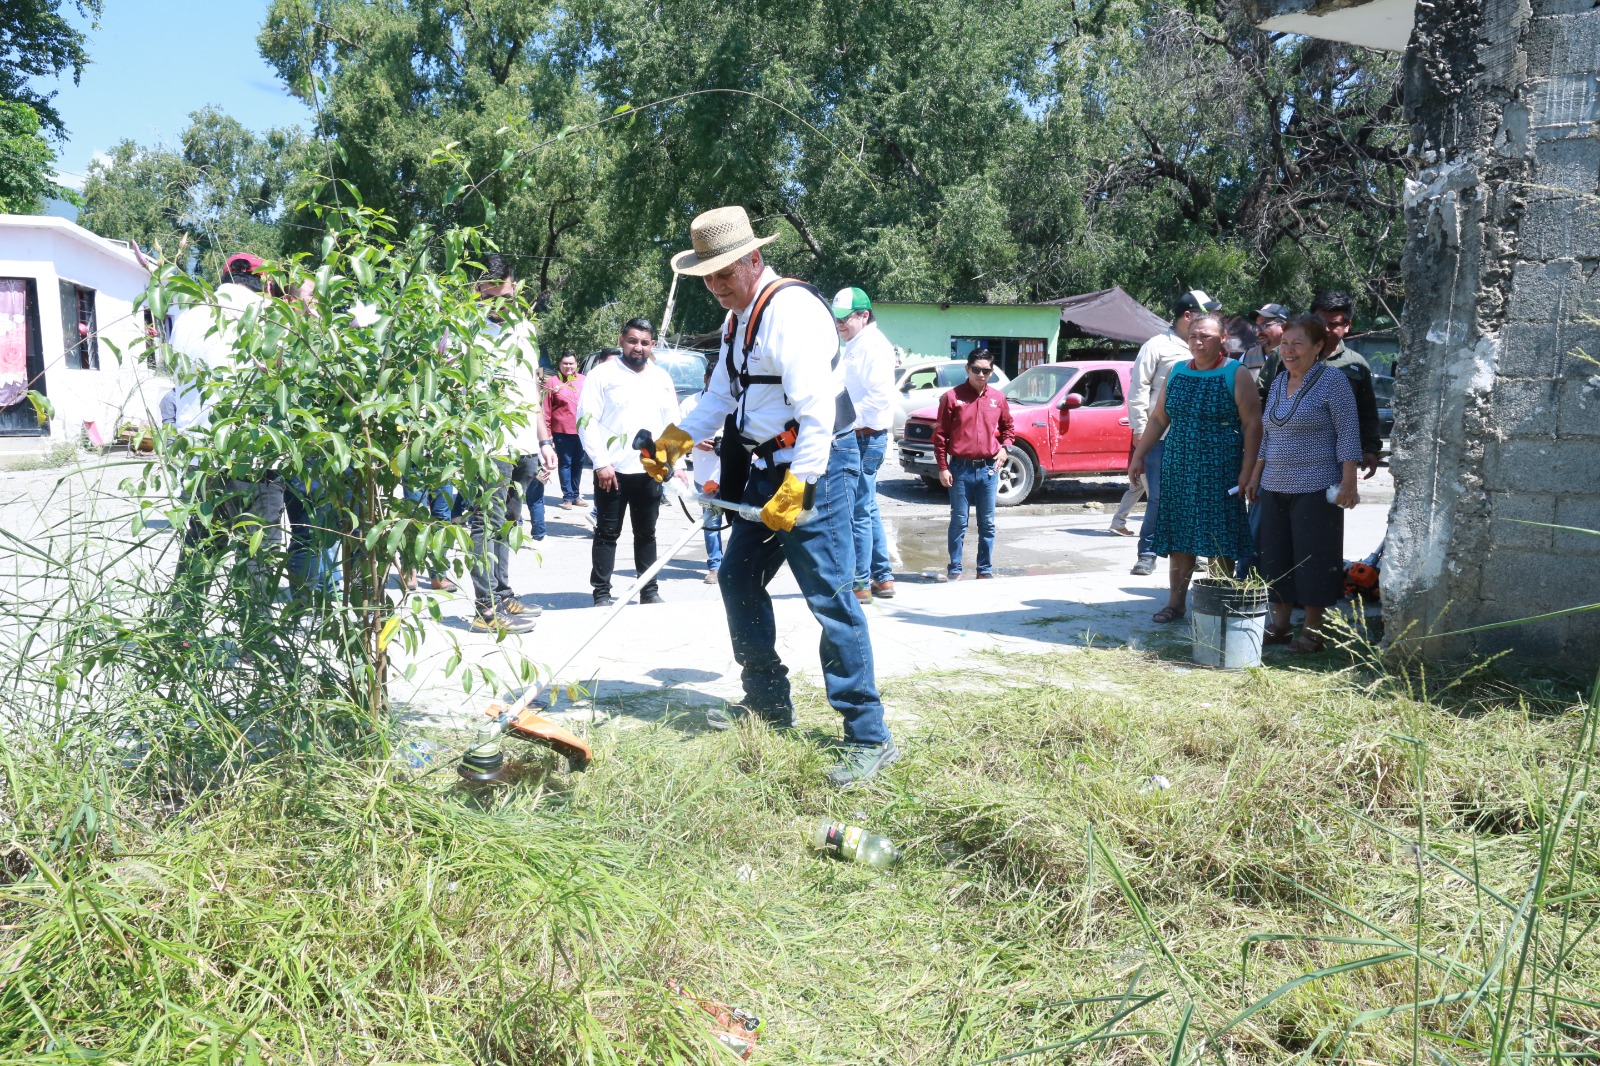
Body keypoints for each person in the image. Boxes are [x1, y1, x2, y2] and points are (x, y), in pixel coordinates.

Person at [647, 205, 897, 788]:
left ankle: (868, 734)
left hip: (817, 468)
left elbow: (816, 413)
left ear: (754, 259)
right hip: (767, 468)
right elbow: (719, 398)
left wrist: (798, 486)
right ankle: (766, 703)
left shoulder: (793, 313)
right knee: (737, 577)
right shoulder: (738, 321)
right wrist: (669, 445)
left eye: (724, 273)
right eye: (707, 277)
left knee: (830, 599)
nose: (716, 286)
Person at [167, 253, 286, 609]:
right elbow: (283, 378)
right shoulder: (269, 313)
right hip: (252, 456)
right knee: (257, 553)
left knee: (201, 546)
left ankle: (180, 626)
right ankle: (256, 633)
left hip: (200, 454)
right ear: (265, 282)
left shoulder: (187, 317)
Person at [1128, 312, 1262, 623]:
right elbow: (1159, 417)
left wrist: (1247, 471)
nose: (1198, 342)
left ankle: (1219, 603)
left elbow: (1253, 424)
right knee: (1180, 535)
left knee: (1219, 537)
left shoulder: (1236, 372)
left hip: (1221, 467)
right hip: (1179, 465)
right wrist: (1139, 455)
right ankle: (1175, 603)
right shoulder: (1177, 371)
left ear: (1223, 339)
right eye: (1193, 336)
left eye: (1206, 336)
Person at [1244, 314, 1361, 653]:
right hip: (1274, 484)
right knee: (1275, 556)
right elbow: (1268, 435)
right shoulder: (1279, 381)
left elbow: (1348, 433)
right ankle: (1279, 625)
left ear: (1318, 346)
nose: (1289, 350)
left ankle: (1312, 630)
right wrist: (1255, 475)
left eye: (1297, 343)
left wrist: (1349, 483)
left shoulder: (1333, 381)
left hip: (1316, 485)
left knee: (1313, 558)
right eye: (1284, 343)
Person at [467, 254, 556, 634]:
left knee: (507, 522)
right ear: (476, 291)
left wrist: (544, 440)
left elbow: (530, 389)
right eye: (489, 298)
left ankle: (503, 595)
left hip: (522, 444)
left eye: (505, 297)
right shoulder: (464, 329)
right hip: (487, 446)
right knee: (484, 525)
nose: (498, 306)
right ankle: (485, 609)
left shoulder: (524, 328)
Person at [578, 317, 680, 607]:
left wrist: (676, 463)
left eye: (645, 343)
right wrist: (600, 463)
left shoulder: (662, 378)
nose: (638, 347)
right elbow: (586, 420)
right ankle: (601, 593)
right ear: (621, 340)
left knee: (647, 533)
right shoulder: (603, 374)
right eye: (633, 341)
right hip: (612, 472)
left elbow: (673, 422)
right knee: (607, 533)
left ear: (653, 345)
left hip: (650, 470)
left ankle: (648, 590)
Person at [1125, 290, 1218, 566]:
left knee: (1195, 497)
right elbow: (1138, 390)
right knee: (1159, 498)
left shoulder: (1209, 348)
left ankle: (1190, 551)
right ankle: (1147, 553)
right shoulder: (1156, 346)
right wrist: (1140, 432)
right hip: (1161, 438)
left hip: (1198, 440)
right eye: (1205, 313)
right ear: (1188, 315)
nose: (1212, 319)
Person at [832, 286, 898, 602]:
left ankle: (860, 583)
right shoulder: (857, 344)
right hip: (862, 435)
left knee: (858, 510)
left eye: (845, 318)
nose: (839, 324)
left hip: (865, 436)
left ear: (864, 315)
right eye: (836, 319)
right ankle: (882, 578)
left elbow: (879, 397)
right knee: (867, 507)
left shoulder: (871, 346)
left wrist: (844, 421)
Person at [932, 348, 1014, 580]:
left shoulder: (998, 399)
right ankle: (955, 569)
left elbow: (1009, 428)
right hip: (960, 470)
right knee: (959, 522)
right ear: (967, 369)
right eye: (976, 369)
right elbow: (940, 436)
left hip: (988, 470)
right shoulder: (951, 397)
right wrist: (943, 467)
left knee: (987, 523)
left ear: (992, 372)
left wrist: (1005, 449)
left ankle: (984, 571)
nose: (981, 375)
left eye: (986, 371)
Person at [679, 364, 724, 583]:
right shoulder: (690, 404)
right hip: (705, 474)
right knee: (711, 521)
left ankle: (740, 564)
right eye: (714, 379)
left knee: (742, 520)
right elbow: (678, 434)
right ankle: (715, 566)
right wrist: (695, 442)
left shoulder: (736, 401)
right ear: (706, 378)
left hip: (734, 472)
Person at [543, 350, 585, 507]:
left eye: (571, 363)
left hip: (581, 431)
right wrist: (547, 434)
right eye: (565, 363)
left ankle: (576, 495)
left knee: (578, 463)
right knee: (566, 462)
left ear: (576, 364)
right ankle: (568, 497)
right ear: (559, 365)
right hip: (561, 431)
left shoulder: (584, 381)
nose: (568, 366)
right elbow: (546, 410)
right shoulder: (552, 383)